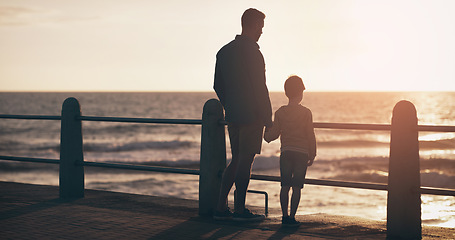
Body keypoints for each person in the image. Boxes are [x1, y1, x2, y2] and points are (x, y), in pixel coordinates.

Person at [213, 8, 273, 222]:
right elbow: (260, 88)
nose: (262, 32)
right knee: (245, 161)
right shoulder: (254, 52)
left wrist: (229, 104)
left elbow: (217, 85)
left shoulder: (224, 51)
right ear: (254, 25)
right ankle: (239, 210)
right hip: (252, 115)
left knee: (236, 159)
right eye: (261, 27)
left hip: (233, 114)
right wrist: (268, 119)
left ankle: (221, 206)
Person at [264, 75, 317, 227]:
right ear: (301, 93)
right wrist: (312, 153)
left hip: (286, 153)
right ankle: (292, 217)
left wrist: (265, 134)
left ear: (287, 93)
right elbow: (310, 135)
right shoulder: (306, 112)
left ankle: (284, 216)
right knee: (296, 187)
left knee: (284, 186)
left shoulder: (280, 112)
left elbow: (273, 135)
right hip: (302, 154)